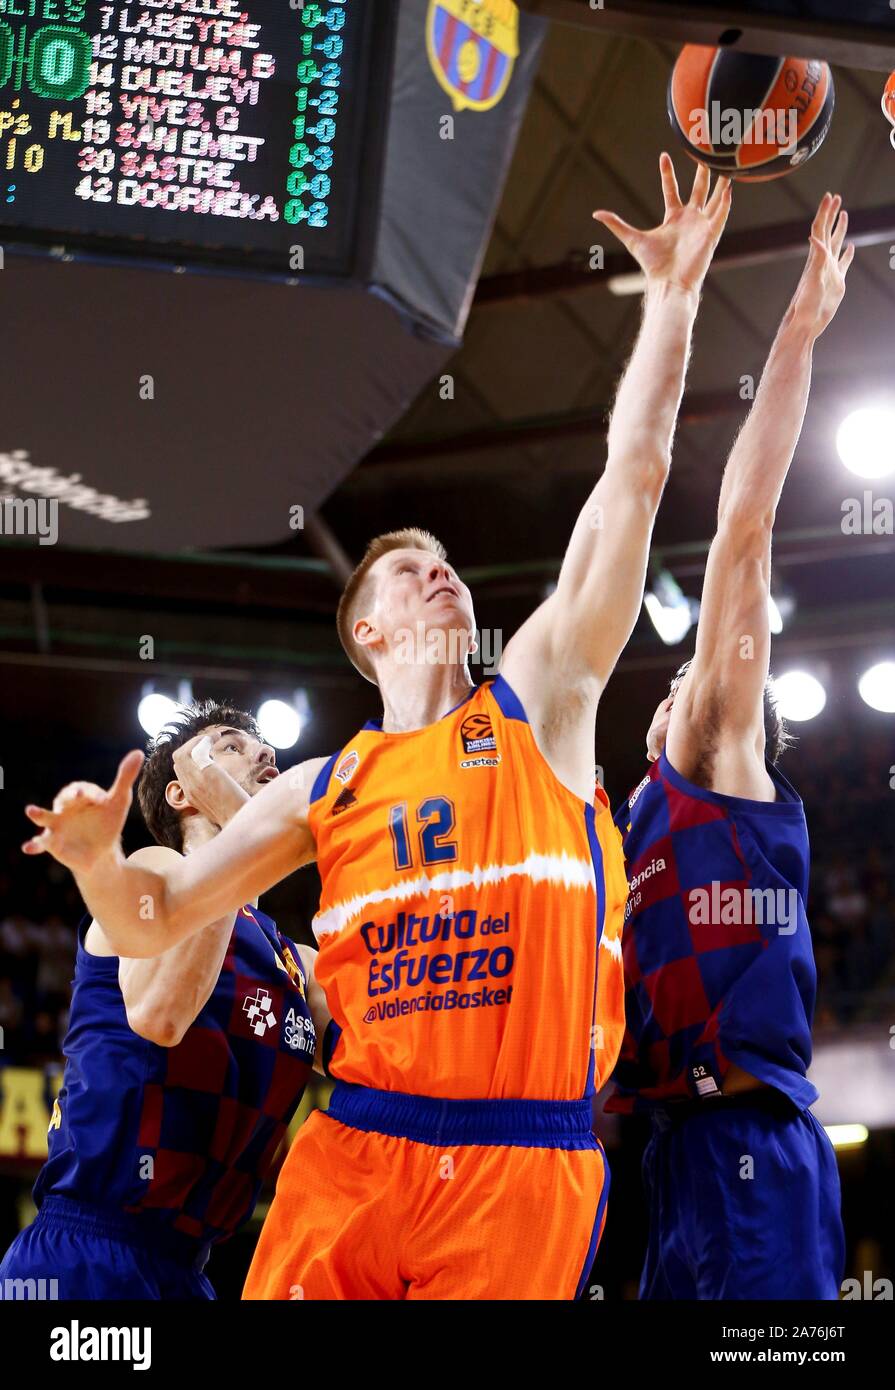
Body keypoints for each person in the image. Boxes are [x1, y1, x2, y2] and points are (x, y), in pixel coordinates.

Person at [22, 156, 732, 1300]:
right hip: (353, 1150)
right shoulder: (319, 786)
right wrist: (104, 863)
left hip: (517, 1157)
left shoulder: (542, 697)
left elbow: (633, 479)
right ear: (369, 633)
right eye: (410, 571)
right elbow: (154, 912)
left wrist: (673, 304)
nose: (439, 575)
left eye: (446, 564)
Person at [606, 194, 853, 1300]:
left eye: (696, 679)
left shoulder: (712, 754)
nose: (687, 682)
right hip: (660, 1152)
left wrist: (796, 333)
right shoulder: (626, 822)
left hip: (747, 1143)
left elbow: (743, 531)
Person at [3, 702, 328, 1299]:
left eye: (262, 745)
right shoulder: (155, 875)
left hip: (188, 1272)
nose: (264, 753)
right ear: (182, 791)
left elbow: (387, 1056)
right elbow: (161, 1015)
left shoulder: (294, 960)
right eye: (232, 744)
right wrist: (242, 837)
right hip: (85, 1257)